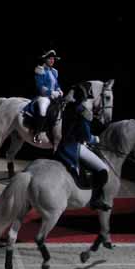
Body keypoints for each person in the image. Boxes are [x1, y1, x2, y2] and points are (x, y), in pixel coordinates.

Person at [55, 82, 112, 211]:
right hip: (74, 147)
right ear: (85, 98)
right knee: (104, 170)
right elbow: (85, 137)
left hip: (60, 145)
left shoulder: (64, 107)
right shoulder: (84, 113)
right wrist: (95, 138)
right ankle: (95, 200)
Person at [23, 49, 64, 143]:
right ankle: (37, 133)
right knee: (43, 111)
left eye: (53, 59)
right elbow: (40, 86)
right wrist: (51, 92)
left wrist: (59, 90)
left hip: (54, 96)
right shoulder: (40, 70)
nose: (52, 61)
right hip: (43, 97)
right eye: (50, 59)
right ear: (45, 60)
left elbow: (56, 84)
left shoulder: (54, 72)